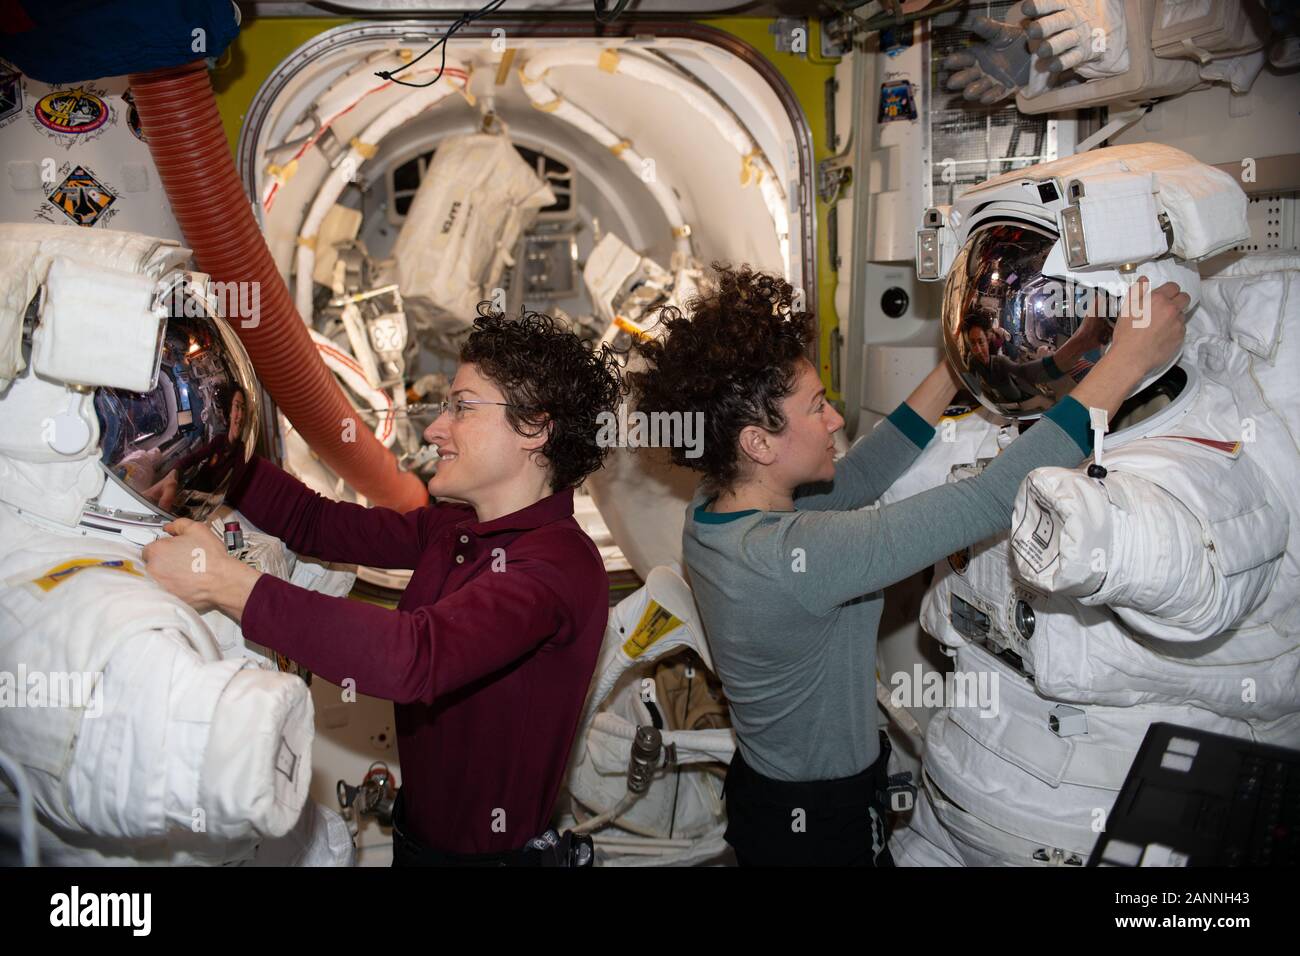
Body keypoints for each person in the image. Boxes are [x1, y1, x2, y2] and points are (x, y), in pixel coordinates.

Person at [628, 263, 1188, 866]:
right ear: (758, 444)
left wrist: (957, 366)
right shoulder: (797, 558)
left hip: (769, 794)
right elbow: (993, 498)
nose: (836, 419)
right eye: (817, 407)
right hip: (815, 825)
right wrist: (1126, 361)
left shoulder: (714, 508)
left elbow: (864, 472)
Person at [143, 307, 624, 866]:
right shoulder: (455, 529)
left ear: (535, 429)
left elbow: (413, 657)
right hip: (419, 842)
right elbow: (316, 524)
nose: (437, 428)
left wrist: (224, 582)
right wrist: (213, 445)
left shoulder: (558, 565)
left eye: (462, 408)